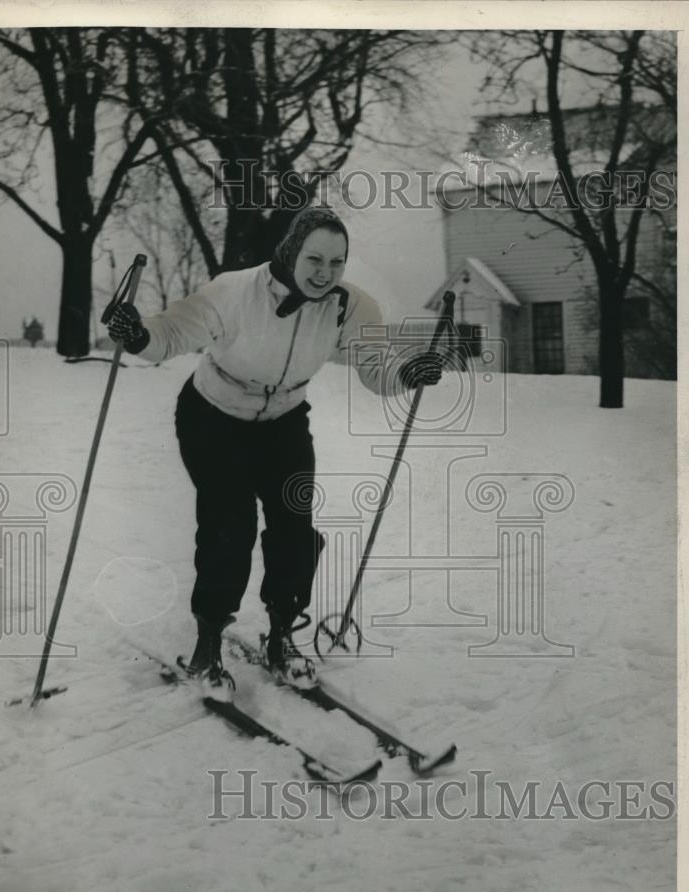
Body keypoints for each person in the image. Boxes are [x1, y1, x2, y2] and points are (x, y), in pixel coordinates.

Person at [109, 207, 445, 701]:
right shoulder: (236, 291)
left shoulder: (350, 307)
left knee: (295, 524)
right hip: (213, 415)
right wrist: (137, 334)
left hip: (283, 419)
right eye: (314, 258)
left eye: (336, 261)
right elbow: (173, 332)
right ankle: (206, 644)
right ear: (291, 251)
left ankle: (282, 634)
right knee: (231, 523)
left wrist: (407, 375)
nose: (323, 273)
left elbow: (376, 367)